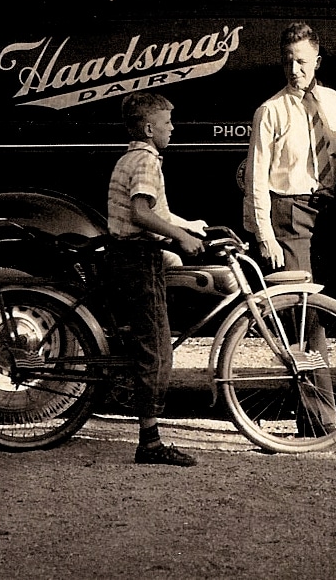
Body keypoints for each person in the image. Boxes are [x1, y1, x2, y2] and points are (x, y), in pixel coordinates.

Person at [241, 23, 336, 436]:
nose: (295, 70)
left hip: (327, 212)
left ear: (317, 62)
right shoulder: (270, 111)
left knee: (327, 312)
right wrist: (265, 235)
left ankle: (319, 412)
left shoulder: (334, 102)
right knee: (308, 320)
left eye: (303, 61)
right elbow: (257, 178)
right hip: (287, 215)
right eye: (288, 61)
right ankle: (318, 422)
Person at [105, 91, 208, 466]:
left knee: (151, 343)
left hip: (127, 256)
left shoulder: (130, 157)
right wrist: (180, 237)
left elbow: (156, 210)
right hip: (138, 258)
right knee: (157, 348)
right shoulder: (148, 161)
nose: (173, 128)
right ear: (150, 129)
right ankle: (149, 443)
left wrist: (187, 224)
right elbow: (141, 213)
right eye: (167, 123)